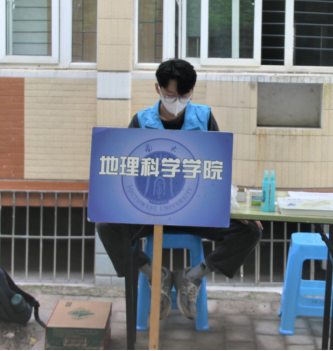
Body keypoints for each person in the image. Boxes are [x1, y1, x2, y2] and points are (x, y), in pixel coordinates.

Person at [96, 59, 263, 322]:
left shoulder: (204, 117)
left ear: (192, 90)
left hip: (196, 213)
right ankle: (155, 274)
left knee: (250, 230)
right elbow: (126, 174)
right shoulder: (141, 121)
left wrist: (232, 207)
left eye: (184, 95)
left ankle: (193, 276)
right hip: (150, 214)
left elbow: (218, 169)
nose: (177, 101)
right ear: (158, 89)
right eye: (171, 95)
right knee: (106, 226)